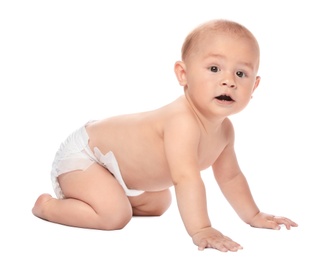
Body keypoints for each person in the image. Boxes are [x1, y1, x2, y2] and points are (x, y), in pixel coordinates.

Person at [32, 19, 297, 252]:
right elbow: (185, 178)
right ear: (183, 74)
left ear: (255, 86)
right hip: (87, 158)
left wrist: (254, 215)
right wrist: (201, 228)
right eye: (214, 69)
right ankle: (47, 206)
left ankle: (109, 193)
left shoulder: (225, 131)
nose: (229, 81)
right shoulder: (182, 121)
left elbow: (230, 176)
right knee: (115, 216)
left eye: (241, 73)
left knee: (160, 201)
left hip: (118, 172)